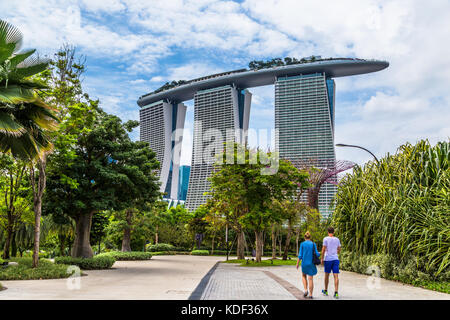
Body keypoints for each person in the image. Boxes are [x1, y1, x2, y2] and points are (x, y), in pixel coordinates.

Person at [296, 231, 320, 299]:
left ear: (304, 237)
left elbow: (300, 255)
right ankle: (311, 294)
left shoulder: (302, 244)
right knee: (310, 279)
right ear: (310, 237)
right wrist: (319, 253)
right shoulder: (313, 244)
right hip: (311, 263)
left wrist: (297, 263)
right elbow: (317, 254)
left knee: (304, 276)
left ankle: (306, 290)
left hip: (304, 263)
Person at [321, 227, 341, 299]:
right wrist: (335, 253)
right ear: (333, 232)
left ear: (328, 232)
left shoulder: (325, 239)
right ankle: (336, 292)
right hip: (335, 259)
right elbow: (339, 249)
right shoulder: (337, 239)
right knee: (336, 276)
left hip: (328, 259)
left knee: (327, 275)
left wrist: (322, 258)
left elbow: (323, 249)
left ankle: (326, 290)